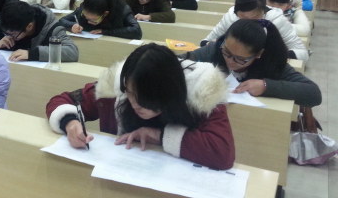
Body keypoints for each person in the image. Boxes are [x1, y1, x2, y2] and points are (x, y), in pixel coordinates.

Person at [46, 43, 235, 170]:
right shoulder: (116, 88)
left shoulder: (202, 94)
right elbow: (62, 100)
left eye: (146, 99)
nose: (135, 104)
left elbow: (222, 153)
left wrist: (159, 136)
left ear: (169, 92)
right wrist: (70, 123)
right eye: (130, 93)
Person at [186, 20, 321, 107]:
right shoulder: (216, 49)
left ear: (258, 54)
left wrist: (266, 86)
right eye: (227, 52)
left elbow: (313, 93)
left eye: (240, 59)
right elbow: (181, 62)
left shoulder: (271, 63)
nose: (230, 60)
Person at [201, 0, 308, 61]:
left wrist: (272, 55)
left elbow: (302, 53)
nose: (249, 23)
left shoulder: (276, 20)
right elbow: (205, 41)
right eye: (243, 18)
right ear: (236, 13)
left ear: (264, 11)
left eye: (255, 17)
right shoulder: (230, 17)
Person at [0, 1, 78, 62]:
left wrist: (32, 54)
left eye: (13, 35)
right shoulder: (8, 22)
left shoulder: (52, 28)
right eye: (6, 33)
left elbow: (72, 52)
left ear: (29, 26)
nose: (9, 36)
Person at [58, 0, 141, 39]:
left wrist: (106, 32)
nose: (89, 22)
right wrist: (72, 25)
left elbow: (137, 31)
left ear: (105, 14)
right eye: (86, 17)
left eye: (93, 20)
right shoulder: (84, 8)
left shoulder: (122, 10)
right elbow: (62, 20)